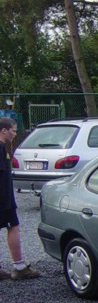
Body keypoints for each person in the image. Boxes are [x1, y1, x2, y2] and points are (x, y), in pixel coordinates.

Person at [0, 118, 41, 280]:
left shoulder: (5, 148)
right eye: (13, 130)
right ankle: (19, 266)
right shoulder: (1, 149)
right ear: (4, 130)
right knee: (14, 227)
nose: (15, 134)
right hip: (4, 200)